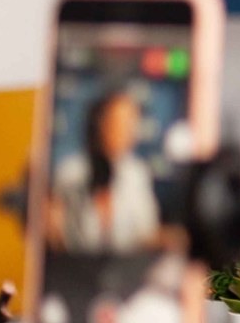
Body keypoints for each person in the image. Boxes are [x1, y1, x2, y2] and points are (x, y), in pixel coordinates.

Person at [50, 88, 162, 254]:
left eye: (132, 122)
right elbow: (56, 232)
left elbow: (147, 231)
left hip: (127, 268)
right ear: (101, 124)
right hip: (77, 267)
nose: (129, 130)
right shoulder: (71, 172)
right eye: (121, 122)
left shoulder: (137, 173)